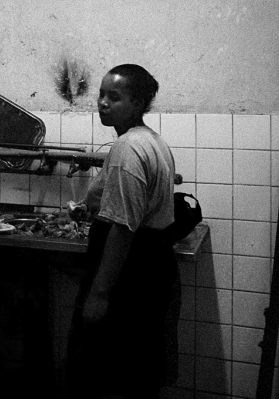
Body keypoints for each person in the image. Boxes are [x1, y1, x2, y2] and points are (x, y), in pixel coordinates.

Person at [67, 64, 178, 399]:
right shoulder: (152, 140)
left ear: (137, 103)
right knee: (138, 373)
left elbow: (123, 228)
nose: (102, 102)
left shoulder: (128, 149)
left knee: (109, 375)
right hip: (153, 268)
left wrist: (99, 295)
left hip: (129, 278)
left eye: (114, 97)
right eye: (101, 94)